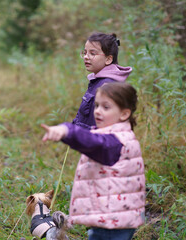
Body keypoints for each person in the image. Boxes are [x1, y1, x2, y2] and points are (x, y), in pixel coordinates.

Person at [41, 82, 145, 240]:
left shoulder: (114, 142)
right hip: (117, 218)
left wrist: (66, 130)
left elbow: (90, 140)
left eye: (106, 107)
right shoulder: (122, 135)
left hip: (111, 221)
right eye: (96, 105)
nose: (97, 111)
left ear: (124, 114)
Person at [73, 32, 133, 129]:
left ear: (108, 59)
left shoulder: (107, 86)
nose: (86, 57)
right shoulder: (97, 81)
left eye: (92, 53)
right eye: (85, 53)